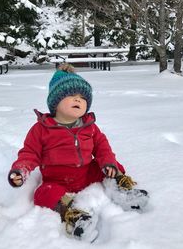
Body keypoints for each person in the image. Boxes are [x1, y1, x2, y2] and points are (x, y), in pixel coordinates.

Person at [8, 63, 149, 242]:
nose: (78, 100)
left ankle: (122, 190)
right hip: (57, 180)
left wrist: (108, 163)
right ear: (55, 102)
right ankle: (74, 215)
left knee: (111, 165)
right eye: (72, 96)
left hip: (86, 173)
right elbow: (29, 153)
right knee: (43, 194)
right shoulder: (42, 129)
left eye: (83, 97)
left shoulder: (89, 126)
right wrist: (21, 170)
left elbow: (102, 147)